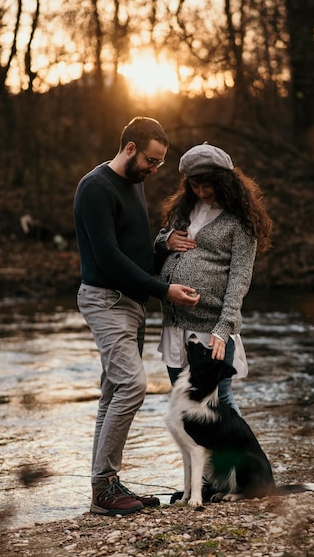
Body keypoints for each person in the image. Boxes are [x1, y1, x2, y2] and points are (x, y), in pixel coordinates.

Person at [74, 116, 200, 517]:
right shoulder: (95, 187)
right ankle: (104, 487)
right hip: (106, 299)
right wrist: (164, 290)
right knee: (132, 385)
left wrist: (164, 246)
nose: (155, 168)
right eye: (151, 159)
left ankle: (104, 485)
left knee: (113, 392)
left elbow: (136, 253)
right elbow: (109, 257)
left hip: (131, 304)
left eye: (160, 162)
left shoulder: (133, 185)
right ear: (130, 148)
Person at [155, 143, 272, 413]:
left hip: (211, 328)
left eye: (208, 185)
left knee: (220, 403)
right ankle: (197, 458)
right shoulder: (185, 209)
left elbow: (240, 277)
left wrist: (224, 328)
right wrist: (164, 241)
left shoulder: (240, 220)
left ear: (225, 182)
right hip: (174, 323)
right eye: (195, 185)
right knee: (183, 404)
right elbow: (163, 244)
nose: (202, 192)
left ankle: (243, 457)